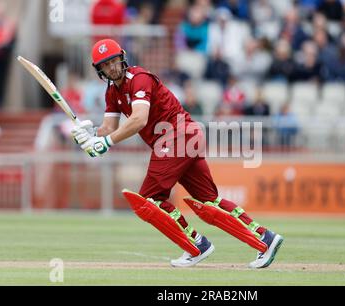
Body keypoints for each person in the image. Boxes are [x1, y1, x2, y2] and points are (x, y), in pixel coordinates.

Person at [70, 39, 284, 268]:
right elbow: (108, 129)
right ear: (99, 69)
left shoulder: (139, 79)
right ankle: (265, 238)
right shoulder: (112, 91)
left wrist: (105, 142)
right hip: (181, 138)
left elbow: (139, 119)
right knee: (209, 202)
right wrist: (89, 134)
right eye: (105, 64)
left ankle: (196, 244)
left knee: (149, 199)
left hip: (176, 135)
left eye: (113, 61)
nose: (112, 67)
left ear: (122, 58)